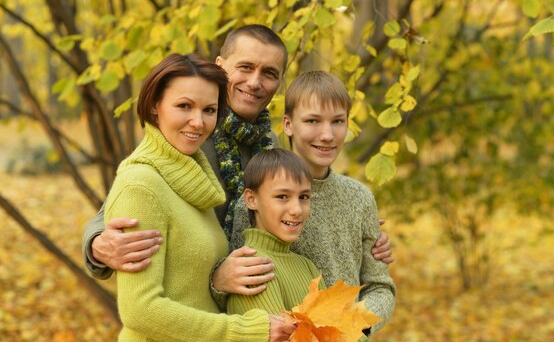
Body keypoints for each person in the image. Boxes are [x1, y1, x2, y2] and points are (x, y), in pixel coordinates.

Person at [81, 25, 392, 292]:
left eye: (269, 73)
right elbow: (124, 196)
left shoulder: (269, 142)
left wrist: (356, 229)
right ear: (220, 66)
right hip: (192, 303)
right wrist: (97, 245)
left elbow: (294, 198)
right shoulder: (192, 132)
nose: (255, 82)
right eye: (245, 67)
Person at [102, 53, 293, 341]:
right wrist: (246, 331)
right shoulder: (141, 185)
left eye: (209, 110)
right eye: (184, 106)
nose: (198, 122)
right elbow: (139, 311)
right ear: (155, 106)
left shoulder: (192, 178)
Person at [231, 71, 395, 335]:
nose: (327, 134)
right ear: (288, 124)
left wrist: (352, 330)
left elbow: (380, 286)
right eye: (312, 121)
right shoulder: (256, 199)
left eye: (338, 121)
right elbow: (237, 278)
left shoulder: (359, 198)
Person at [227, 149, 326, 315]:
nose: (296, 210)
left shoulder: (307, 266)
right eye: (282, 196)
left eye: (303, 197)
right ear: (251, 199)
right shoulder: (252, 267)